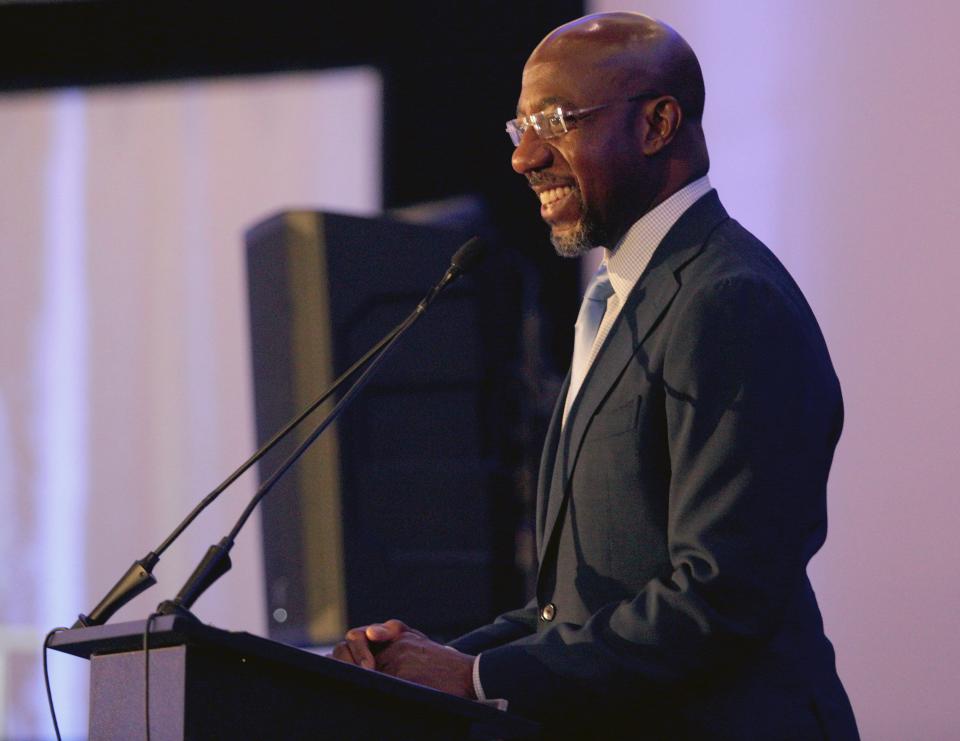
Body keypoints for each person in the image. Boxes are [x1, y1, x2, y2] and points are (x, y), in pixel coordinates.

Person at [333, 11, 860, 739]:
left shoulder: (728, 299)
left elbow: (720, 596)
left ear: (658, 123)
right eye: (520, 129)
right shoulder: (617, 303)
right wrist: (432, 661)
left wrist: (476, 678)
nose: (525, 158)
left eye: (555, 119)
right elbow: (574, 607)